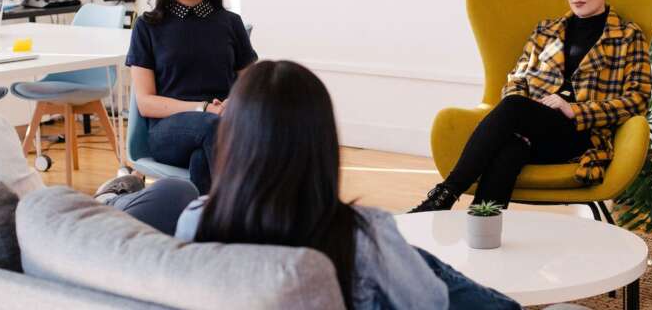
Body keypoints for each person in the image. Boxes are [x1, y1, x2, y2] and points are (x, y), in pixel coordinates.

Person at [175, 61, 520, 310]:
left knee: (412, 256)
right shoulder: (361, 233)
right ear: (322, 143)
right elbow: (429, 302)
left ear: (234, 140)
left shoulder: (194, 220)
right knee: (421, 264)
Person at [0, 0, 198, 235]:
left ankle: (105, 199)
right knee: (175, 191)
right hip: (62, 247)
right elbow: (43, 221)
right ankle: (105, 201)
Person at [410, 0, 652, 212]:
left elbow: (638, 99)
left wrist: (576, 110)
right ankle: (482, 227)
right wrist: (532, 110)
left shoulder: (627, 36)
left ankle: (445, 194)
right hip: (533, 127)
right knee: (511, 149)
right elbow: (517, 79)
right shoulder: (546, 30)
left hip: (581, 135)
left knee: (514, 108)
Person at [126, 0, 257, 194]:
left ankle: (205, 227)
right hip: (168, 132)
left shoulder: (230, 23)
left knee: (203, 159)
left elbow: (254, 85)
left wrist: (235, 102)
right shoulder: (148, 26)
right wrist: (204, 108)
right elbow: (146, 103)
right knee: (215, 127)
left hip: (220, 127)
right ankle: (252, 213)